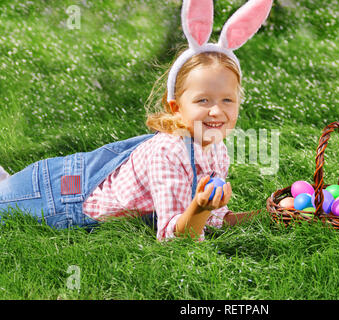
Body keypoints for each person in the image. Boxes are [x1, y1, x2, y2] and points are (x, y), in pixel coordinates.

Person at [0, 0, 273, 241]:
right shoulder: (169, 153)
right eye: (203, 100)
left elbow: (213, 222)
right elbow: (176, 238)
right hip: (55, 199)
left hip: (68, 182)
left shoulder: (216, 148)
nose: (216, 111)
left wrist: (269, 213)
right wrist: (200, 207)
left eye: (227, 100)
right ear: (176, 107)